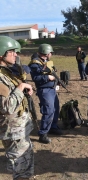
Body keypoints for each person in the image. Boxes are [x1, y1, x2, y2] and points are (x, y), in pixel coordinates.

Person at [0, 36, 34, 179]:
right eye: (12, 51)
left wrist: (23, 86)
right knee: (21, 171)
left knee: (25, 167)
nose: (16, 54)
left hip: (19, 130)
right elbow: (6, 107)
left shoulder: (6, 72)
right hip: (13, 132)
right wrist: (20, 87)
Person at [29, 44, 62, 144]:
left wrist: (56, 80)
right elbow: (36, 78)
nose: (51, 54)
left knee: (56, 108)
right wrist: (48, 78)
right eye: (50, 53)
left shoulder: (46, 62)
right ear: (47, 53)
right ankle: (43, 134)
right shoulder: (35, 64)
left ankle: (53, 126)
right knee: (48, 110)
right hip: (44, 90)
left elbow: (51, 72)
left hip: (51, 89)